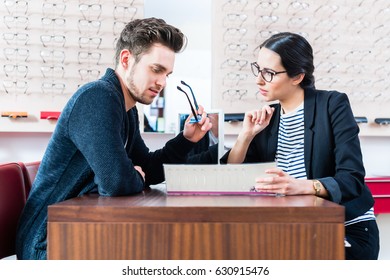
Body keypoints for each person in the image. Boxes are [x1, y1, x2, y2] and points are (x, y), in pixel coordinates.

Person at [16, 17, 212, 260]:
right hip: (48, 242)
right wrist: (131, 175)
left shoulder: (127, 110)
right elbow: (116, 182)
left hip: (82, 230)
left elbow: (147, 170)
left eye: (167, 74)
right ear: (127, 59)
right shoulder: (97, 97)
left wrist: (187, 140)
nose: (162, 82)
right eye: (156, 69)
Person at [220, 32, 379, 260]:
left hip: (345, 226)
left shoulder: (332, 105)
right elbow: (232, 176)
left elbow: (351, 180)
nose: (259, 80)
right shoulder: (269, 119)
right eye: (258, 69)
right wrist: (245, 136)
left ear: (297, 77)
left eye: (269, 73)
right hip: (297, 224)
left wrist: (300, 186)